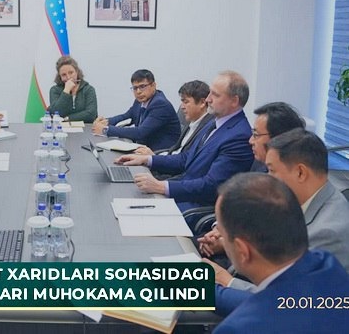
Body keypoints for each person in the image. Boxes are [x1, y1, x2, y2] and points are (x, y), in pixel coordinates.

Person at [211, 129, 349, 317]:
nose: (267, 178)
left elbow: (288, 304)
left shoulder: (329, 233)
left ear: (300, 172)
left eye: (272, 171)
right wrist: (228, 241)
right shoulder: (301, 200)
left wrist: (227, 282)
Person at [115, 71, 254, 211]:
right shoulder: (214, 123)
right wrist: (147, 160)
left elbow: (211, 186)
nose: (208, 99)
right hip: (183, 191)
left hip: (194, 205)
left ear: (234, 101)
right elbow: (185, 158)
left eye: (215, 95)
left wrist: (161, 187)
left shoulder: (239, 136)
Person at [199, 102, 305, 257]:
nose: (250, 141)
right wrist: (219, 230)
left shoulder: (291, 183)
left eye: (256, 135)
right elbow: (239, 207)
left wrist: (226, 244)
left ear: (279, 138)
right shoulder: (259, 163)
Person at [92, 69, 180, 151]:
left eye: (142, 86)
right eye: (135, 88)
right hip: (143, 148)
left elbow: (140, 132)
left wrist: (106, 130)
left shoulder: (160, 104)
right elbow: (126, 116)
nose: (138, 92)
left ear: (153, 86)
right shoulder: (140, 101)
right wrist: (106, 122)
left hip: (158, 153)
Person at [135, 80, 213, 155]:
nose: (182, 107)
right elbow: (176, 151)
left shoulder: (208, 130)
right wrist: (153, 156)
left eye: (186, 102)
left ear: (202, 102)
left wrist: (153, 158)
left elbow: (185, 159)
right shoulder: (192, 123)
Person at [48, 55, 98, 123]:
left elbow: (91, 114)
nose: (68, 77)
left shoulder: (88, 89)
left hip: (86, 127)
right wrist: (66, 91)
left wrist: (68, 118)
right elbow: (56, 113)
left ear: (77, 72)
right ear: (59, 76)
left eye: (71, 73)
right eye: (64, 75)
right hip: (61, 128)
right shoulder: (54, 90)